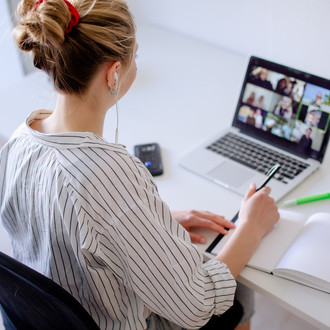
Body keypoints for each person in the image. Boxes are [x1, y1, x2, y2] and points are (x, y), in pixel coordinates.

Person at [0, 0, 279, 329]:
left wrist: (150, 223)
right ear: (114, 73)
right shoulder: (107, 175)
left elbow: (65, 226)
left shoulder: (18, 141)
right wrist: (251, 226)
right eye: (136, 57)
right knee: (238, 292)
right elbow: (198, 304)